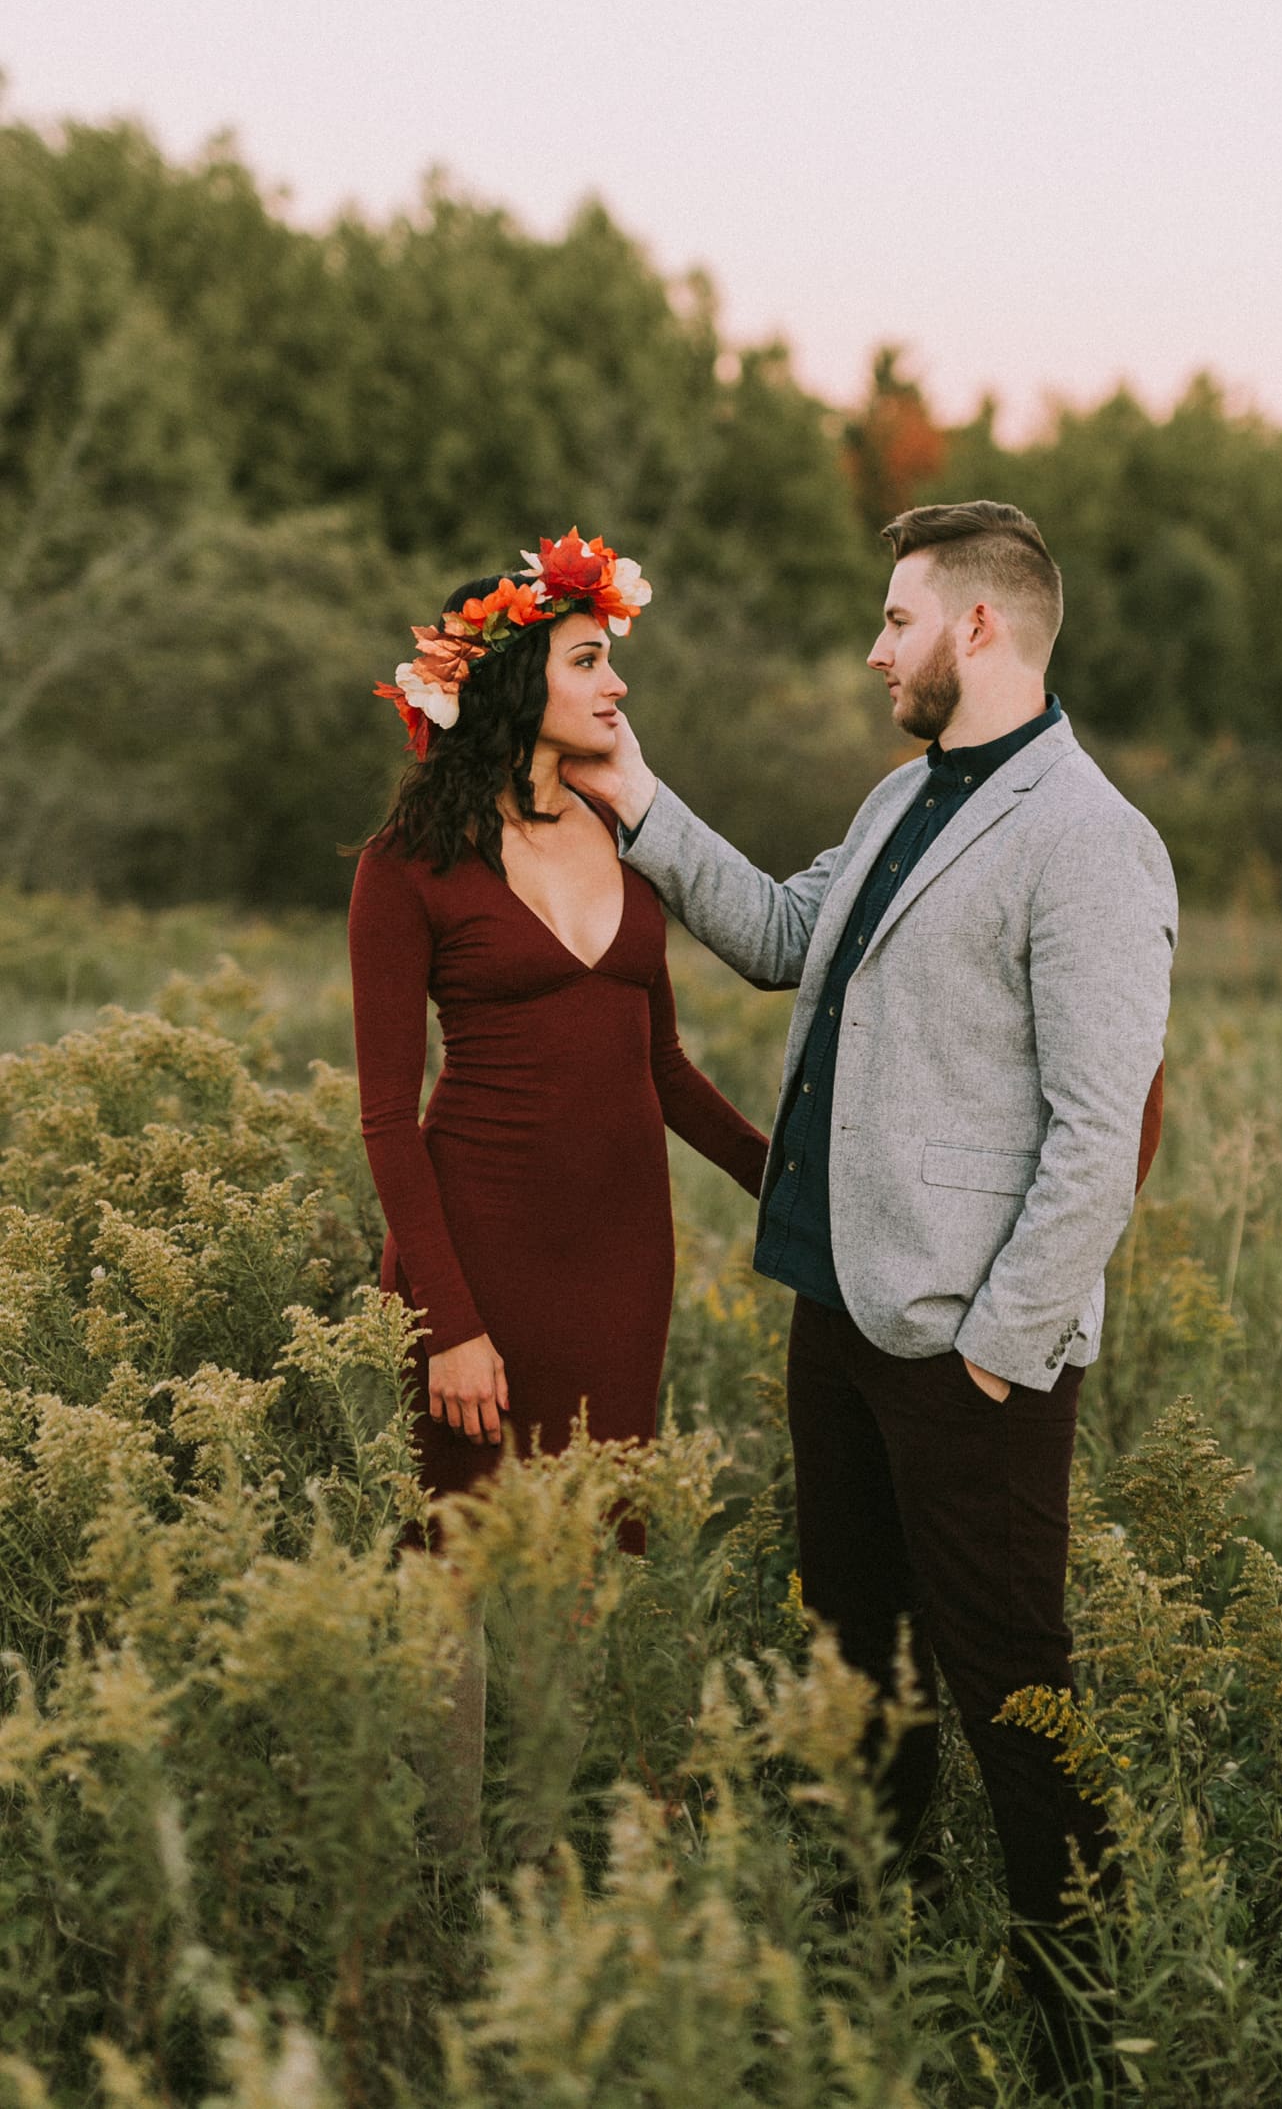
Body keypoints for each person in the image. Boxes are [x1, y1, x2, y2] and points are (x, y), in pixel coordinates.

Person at [565, 498, 1174, 2074]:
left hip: (967, 1346)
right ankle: (862, 1971)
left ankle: (1076, 2037)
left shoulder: (1089, 839)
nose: (871, 647)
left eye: (894, 620)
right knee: (860, 1667)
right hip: (834, 1313)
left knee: (1009, 1692)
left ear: (977, 628)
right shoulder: (904, 792)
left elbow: (1098, 1133)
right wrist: (631, 792)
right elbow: (776, 932)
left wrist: (995, 1351)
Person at [348, 527, 769, 1863]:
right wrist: (451, 1318)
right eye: (591, 660)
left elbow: (663, 1070)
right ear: (517, 675)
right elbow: (382, 1116)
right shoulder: (405, 864)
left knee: (590, 1562)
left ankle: (555, 1860)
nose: (617, 686)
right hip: (481, 1253)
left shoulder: (615, 830)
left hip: (619, 1265)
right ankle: (446, 1876)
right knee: (458, 1562)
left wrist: (796, 1183)